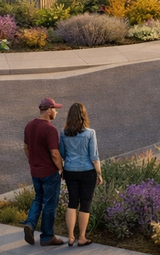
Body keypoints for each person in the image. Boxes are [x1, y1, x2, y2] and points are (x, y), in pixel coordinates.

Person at [59, 103, 103, 248]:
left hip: (70, 171)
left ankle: (70, 237)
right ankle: (82, 237)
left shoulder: (63, 133)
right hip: (87, 171)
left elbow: (62, 154)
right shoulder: (90, 133)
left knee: (72, 202)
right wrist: (99, 174)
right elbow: (94, 156)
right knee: (85, 203)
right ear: (84, 115)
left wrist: (63, 170)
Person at [23, 97, 65, 247]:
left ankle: (30, 223)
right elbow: (54, 153)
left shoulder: (29, 125)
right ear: (48, 110)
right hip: (49, 173)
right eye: (55, 109)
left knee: (38, 198)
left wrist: (33, 162)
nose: (56, 112)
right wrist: (60, 168)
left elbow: (26, 147)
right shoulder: (49, 129)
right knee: (49, 204)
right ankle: (47, 236)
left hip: (35, 172)